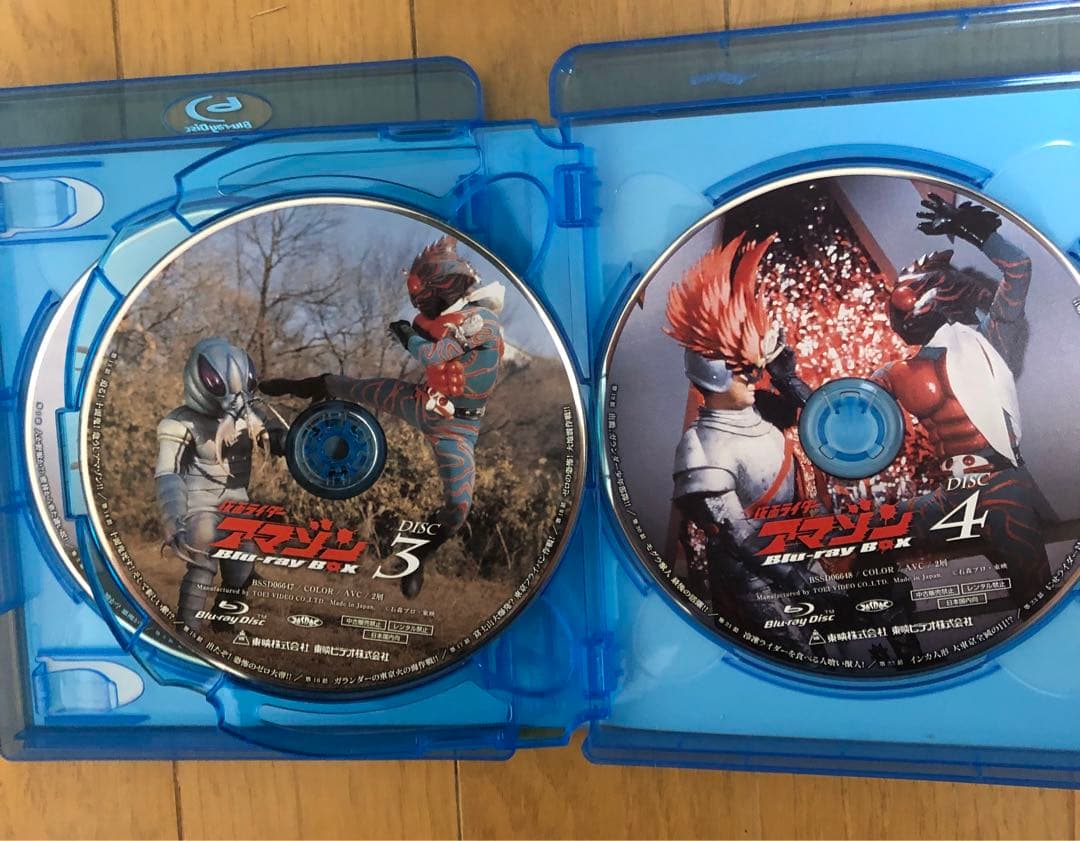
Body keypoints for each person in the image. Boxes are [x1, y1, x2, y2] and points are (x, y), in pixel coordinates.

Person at [260, 236, 504, 599]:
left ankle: (420, 554)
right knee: (358, 388)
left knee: (458, 507)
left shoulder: (483, 323)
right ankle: (304, 390)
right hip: (422, 401)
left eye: (423, 294)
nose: (418, 303)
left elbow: (434, 356)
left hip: (457, 428)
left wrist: (407, 336)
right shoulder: (442, 319)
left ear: (443, 285)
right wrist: (413, 331)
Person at [156, 336, 285, 630]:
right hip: (198, 504)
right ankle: (188, 628)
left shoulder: (252, 417)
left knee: (243, 563)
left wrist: (286, 441)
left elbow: (275, 438)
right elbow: (168, 473)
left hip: (238, 504)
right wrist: (173, 517)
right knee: (202, 551)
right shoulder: (179, 423)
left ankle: (225, 622)